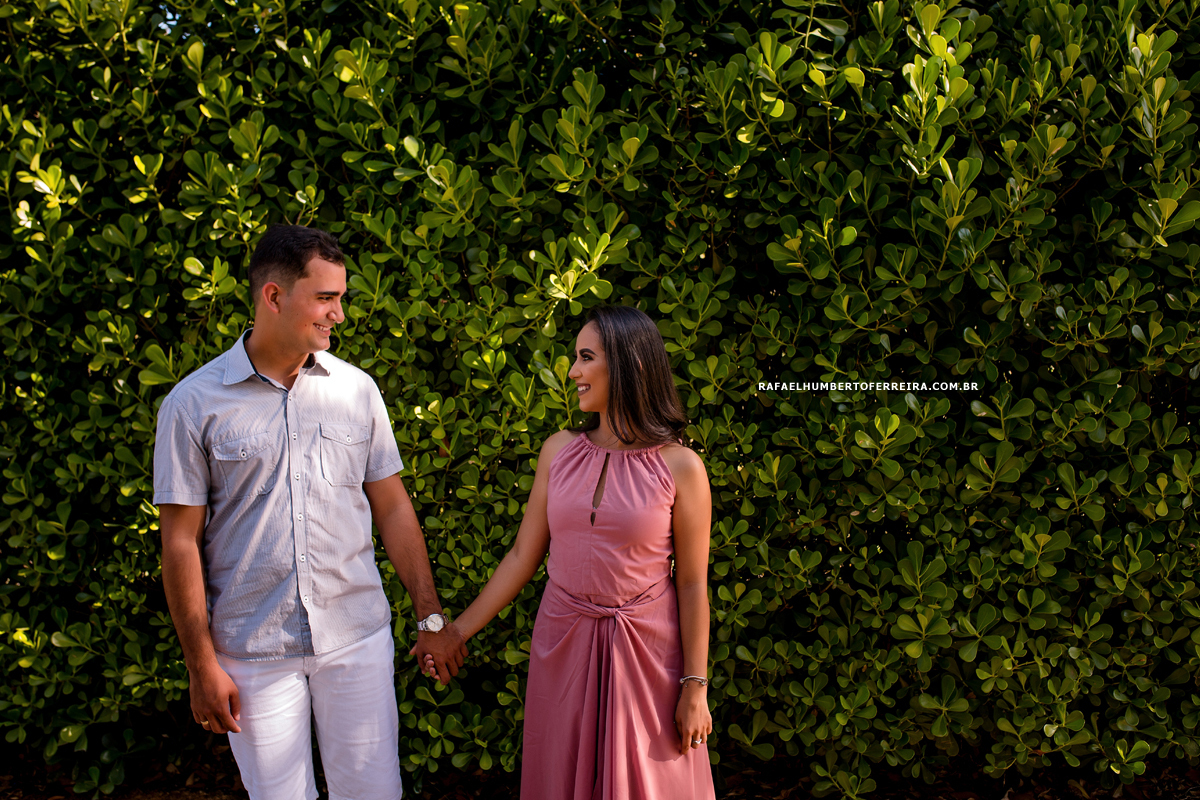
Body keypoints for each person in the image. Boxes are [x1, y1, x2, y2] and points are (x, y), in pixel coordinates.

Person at [154, 224, 466, 800]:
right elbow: (179, 542)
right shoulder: (192, 405)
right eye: (325, 298)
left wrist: (430, 616)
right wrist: (200, 665)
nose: (338, 315)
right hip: (253, 652)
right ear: (274, 296)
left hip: (356, 640)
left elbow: (393, 506)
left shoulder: (357, 391)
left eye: (340, 298)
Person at [437, 304, 717, 799]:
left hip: (647, 654)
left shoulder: (682, 467)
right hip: (562, 644)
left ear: (629, 363)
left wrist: (695, 686)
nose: (572, 372)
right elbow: (522, 555)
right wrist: (457, 631)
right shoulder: (558, 450)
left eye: (586, 358)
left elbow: (693, 582)